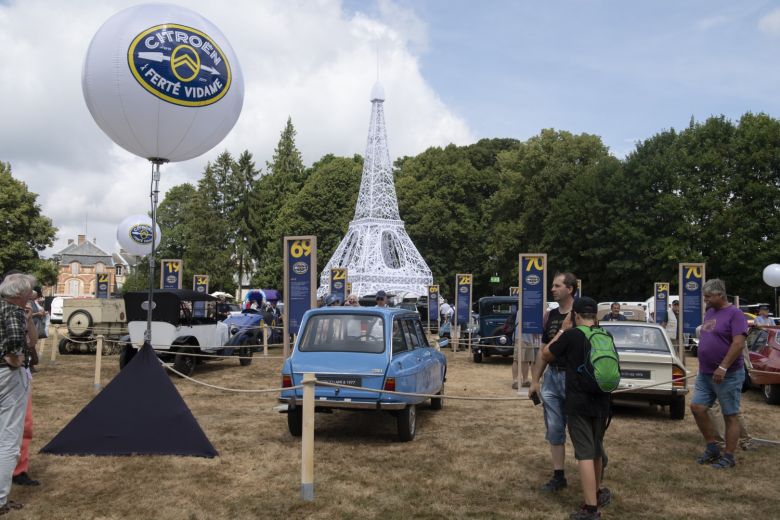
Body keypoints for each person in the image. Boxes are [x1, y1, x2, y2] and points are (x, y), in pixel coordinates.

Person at [542, 297, 612, 520]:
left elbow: (546, 354)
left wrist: (562, 330)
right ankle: (598, 492)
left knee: (584, 454)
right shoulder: (605, 335)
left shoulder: (572, 335)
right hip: (602, 400)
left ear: (576, 315)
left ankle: (591, 509)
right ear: (596, 316)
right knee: (597, 449)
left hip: (579, 402)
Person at [690, 279, 749, 469]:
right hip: (706, 373)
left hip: (727, 374)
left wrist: (723, 367)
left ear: (720, 295)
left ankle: (729, 456)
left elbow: (738, 343)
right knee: (697, 408)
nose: (705, 300)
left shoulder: (736, 314)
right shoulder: (710, 312)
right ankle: (712, 447)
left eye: (708, 296)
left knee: (730, 414)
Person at [529, 272, 577, 492]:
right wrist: (535, 380)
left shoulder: (581, 314)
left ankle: (594, 466)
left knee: (579, 428)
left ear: (570, 289)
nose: (552, 289)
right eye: (552, 286)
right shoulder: (549, 316)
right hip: (552, 378)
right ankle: (559, 475)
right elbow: (543, 351)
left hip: (574, 378)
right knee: (555, 428)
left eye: (557, 286)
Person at [0, 273, 36, 513]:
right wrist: (12, 356)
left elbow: (31, 340)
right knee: (9, 439)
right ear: (20, 294)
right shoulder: (12, 311)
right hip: (7, 375)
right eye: (29, 292)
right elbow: (16, 340)